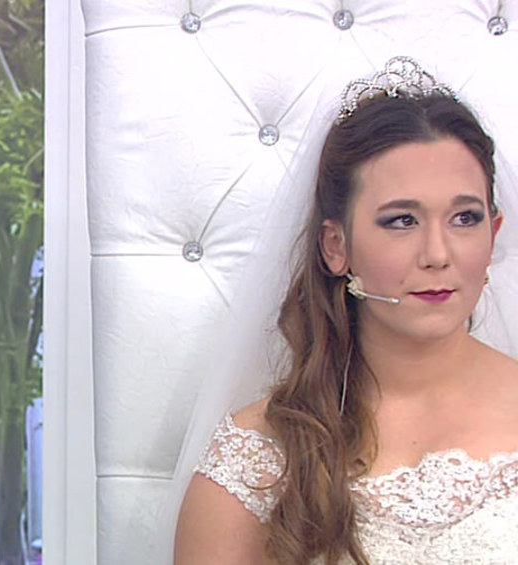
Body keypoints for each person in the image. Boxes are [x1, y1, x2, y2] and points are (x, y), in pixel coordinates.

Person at [174, 57, 518, 563]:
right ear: (336, 246)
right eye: (402, 221)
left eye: (464, 218)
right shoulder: (252, 463)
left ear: (493, 232)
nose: (438, 254)